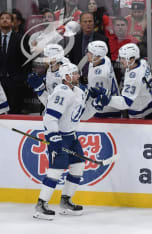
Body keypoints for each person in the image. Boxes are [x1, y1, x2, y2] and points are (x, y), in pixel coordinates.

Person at [33, 62, 107, 220]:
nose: (78, 76)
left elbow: (83, 116)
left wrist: (96, 105)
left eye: (77, 73)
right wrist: (53, 137)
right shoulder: (61, 92)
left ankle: (66, 201)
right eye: (74, 73)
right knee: (56, 169)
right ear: (66, 77)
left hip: (71, 136)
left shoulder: (79, 91)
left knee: (79, 166)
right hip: (59, 135)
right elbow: (50, 117)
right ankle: (41, 204)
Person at [104, 43, 152, 119]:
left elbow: (125, 102)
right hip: (149, 102)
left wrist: (107, 100)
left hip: (140, 112)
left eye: (123, 58)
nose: (120, 60)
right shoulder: (142, 62)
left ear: (132, 59)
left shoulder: (134, 78)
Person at [67, 12, 110, 82]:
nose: (88, 24)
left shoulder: (103, 40)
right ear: (80, 23)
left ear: (94, 23)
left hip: (97, 78)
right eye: (85, 22)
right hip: (78, 80)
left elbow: (107, 62)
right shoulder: (74, 40)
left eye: (90, 21)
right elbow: (71, 61)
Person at [0, 11, 27, 114]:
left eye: (7, 18)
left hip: (15, 83)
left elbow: (26, 61)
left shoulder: (20, 39)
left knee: (15, 112)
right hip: (0, 84)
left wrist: (22, 78)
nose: (5, 20)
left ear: (12, 23)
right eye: (2, 18)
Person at [86, 40, 120, 118]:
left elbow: (98, 97)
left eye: (90, 53)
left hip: (106, 111)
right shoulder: (105, 59)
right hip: (112, 104)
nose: (87, 54)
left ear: (98, 56)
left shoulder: (99, 76)